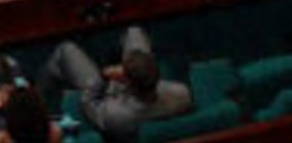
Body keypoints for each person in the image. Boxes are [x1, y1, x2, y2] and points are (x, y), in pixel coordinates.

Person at [33, 26, 191, 142]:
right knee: (134, 31)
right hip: (142, 90)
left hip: (107, 95)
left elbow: (88, 102)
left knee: (65, 50)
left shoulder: (116, 117)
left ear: (125, 80)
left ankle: (43, 105)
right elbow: (149, 81)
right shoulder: (182, 94)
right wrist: (138, 69)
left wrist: (103, 76)